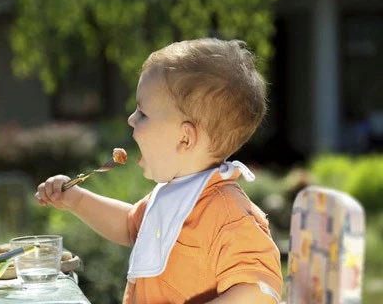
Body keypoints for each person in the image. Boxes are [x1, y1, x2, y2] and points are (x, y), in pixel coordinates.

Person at [36, 38, 283, 303]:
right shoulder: (174, 193)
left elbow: (259, 292)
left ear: (184, 139)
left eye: (142, 113)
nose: (131, 119)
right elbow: (130, 225)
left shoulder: (228, 214)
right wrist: (76, 199)